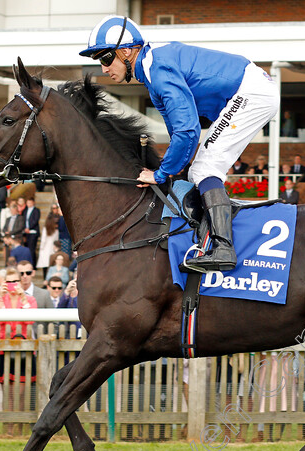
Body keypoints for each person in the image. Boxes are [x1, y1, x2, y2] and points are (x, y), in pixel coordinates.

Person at [80, 16, 279, 274]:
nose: (104, 69)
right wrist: (175, 168)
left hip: (251, 93)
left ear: (127, 51)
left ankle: (223, 248)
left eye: (106, 58)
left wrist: (162, 173)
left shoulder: (158, 70)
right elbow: (178, 131)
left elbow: (188, 130)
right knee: (197, 169)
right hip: (249, 91)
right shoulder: (152, 73)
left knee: (205, 169)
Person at [0, 266, 38, 434]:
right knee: (8, 392)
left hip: (24, 348)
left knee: (22, 392)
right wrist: (1, 299)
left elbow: (31, 321)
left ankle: (20, 427)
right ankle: (10, 429)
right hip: (4, 348)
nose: (12, 285)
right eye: (8, 282)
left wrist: (22, 297)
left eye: (15, 281)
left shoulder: (30, 300)